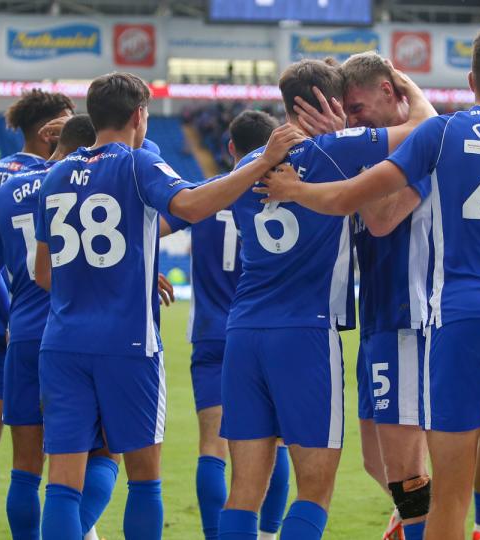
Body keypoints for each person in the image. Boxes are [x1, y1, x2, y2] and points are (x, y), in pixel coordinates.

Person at [257, 28, 480, 540]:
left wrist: (336, 156)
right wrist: (343, 147)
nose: (351, 120)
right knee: (380, 462)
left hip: (415, 316)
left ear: (391, 92)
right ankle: (422, 521)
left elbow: (381, 217)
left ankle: (429, 525)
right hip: (396, 312)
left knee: (414, 478)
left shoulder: (433, 148)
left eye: (357, 109)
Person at [32, 71, 302, 540]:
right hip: (127, 343)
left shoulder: (54, 175)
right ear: (140, 115)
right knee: (143, 480)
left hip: (61, 343)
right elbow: (192, 206)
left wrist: (110, 274)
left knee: (62, 485)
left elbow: (43, 272)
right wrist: (263, 161)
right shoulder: (137, 164)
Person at [216, 59, 435, 540]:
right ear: (328, 102)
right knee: (321, 487)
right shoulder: (343, 149)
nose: (352, 118)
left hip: (248, 328)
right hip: (312, 330)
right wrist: (404, 86)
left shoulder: (248, 164)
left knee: (244, 491)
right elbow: (425, 126)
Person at [0, 115, 147, 540]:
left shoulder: (6, 192)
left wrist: (10, 319)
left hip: (26, 335)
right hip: (79, 333)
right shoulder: (97, 183)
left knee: (26, 468)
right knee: (105, 453)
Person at [163, 110, 292, 540]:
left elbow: (145, 230)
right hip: (266, 332)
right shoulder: (286, 194)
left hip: (212, 335)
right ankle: (268, 535)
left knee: (212, 447)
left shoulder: (204, 195)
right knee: (274, 442)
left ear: (231, 147)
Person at [0, 89, 74, 540]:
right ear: (49, 132)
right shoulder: (61, 177)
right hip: (45, 317)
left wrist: (5, 316)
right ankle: (79, 526)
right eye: (68, 121)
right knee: (72, 442)